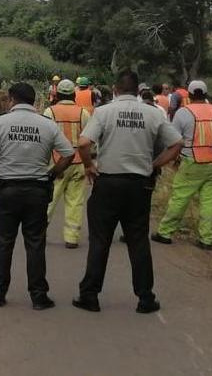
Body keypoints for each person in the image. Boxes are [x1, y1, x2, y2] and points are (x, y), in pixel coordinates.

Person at [73, 70, 183, 314]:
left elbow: (83, 143)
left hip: (108, 183)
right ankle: (145, 298)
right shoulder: (153, 113)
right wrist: (153, 165)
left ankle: (89, 295)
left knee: (100, 240)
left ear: (115, 89)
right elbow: (177, 144)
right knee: (138, 241)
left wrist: (89, 166)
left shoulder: (104, 112)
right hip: (139, 185)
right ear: (137, 90)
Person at [0, 82, 75, 309]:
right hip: (37, 191)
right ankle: (38, 296)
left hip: (7, 189)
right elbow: (69, 154)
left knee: (3, 243)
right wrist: (52, 174)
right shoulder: (47, 125)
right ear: (33, 101)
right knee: (35, 244)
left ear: (12, 99)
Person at [152, 80, 212, 250]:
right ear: (206, 94)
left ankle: (165, 233)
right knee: (210, 202)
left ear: (190, 94)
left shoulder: (183, 113)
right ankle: (206, 239)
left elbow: (173, 139)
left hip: (191, 163)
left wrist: (166, 160)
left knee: (180, 198)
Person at [44, 79, 92, 249]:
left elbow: (46, 139)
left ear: (57, 95)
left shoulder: (50, 112)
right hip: (78, 162)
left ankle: (40, 233)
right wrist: (89, 164)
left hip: (56, 163)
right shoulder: (83, 113)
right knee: (75, 201)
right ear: (73, 95)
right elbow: (88, 140)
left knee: (49, 200)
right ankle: (72, 238)